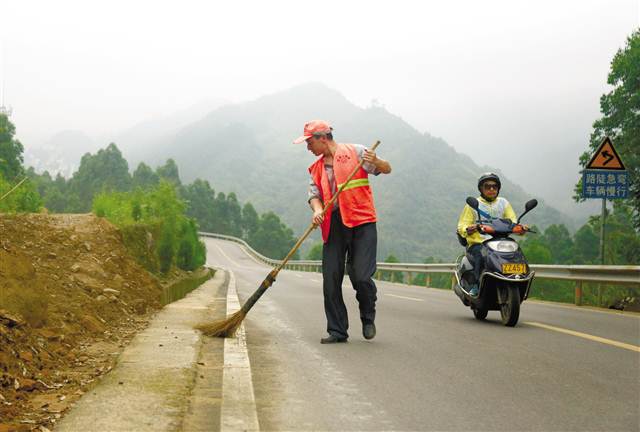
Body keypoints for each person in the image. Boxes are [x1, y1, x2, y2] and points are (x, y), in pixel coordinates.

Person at [294, 120, 391, 344]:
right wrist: (317, 211)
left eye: (309, 142)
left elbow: (386, 169)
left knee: (361, 276)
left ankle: (368, 317)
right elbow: (314, 195)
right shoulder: (316, 168)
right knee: (331, 278)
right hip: (334, 224)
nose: (308, 147)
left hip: (361, 221)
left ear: (322, 138)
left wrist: (376, 160)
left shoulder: (356, 152)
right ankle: (337, 331)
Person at [456, 172, 523, 296]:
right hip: (479, 242)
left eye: (495, 186)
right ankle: (476, 286)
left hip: (500, 241)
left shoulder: (503, 203)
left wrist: (519, 227)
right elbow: (461, 225)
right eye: (487, 186)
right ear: (481, 189)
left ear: (498, 189)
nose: (491, 189)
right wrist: (469, 228)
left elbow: (512, 220)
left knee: (516, 252)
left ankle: (519, 279)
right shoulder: (472, 205)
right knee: (481, 255)